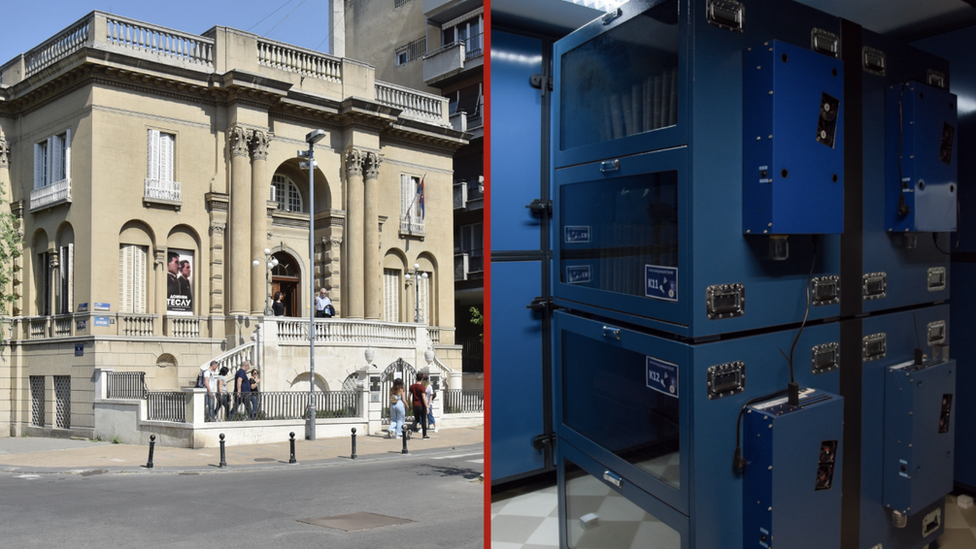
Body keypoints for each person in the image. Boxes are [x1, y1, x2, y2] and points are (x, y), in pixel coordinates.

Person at [409, 373, 430, 439]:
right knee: (423, 420)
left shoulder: (412, 386)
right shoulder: (422, 387)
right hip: (421, 405)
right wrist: (427, 407)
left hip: (415, 405)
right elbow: (424, 397)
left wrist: (409, 405)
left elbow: (409, 396)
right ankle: (424, 435)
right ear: (422, 379)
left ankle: (410, 429)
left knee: (416, 419)